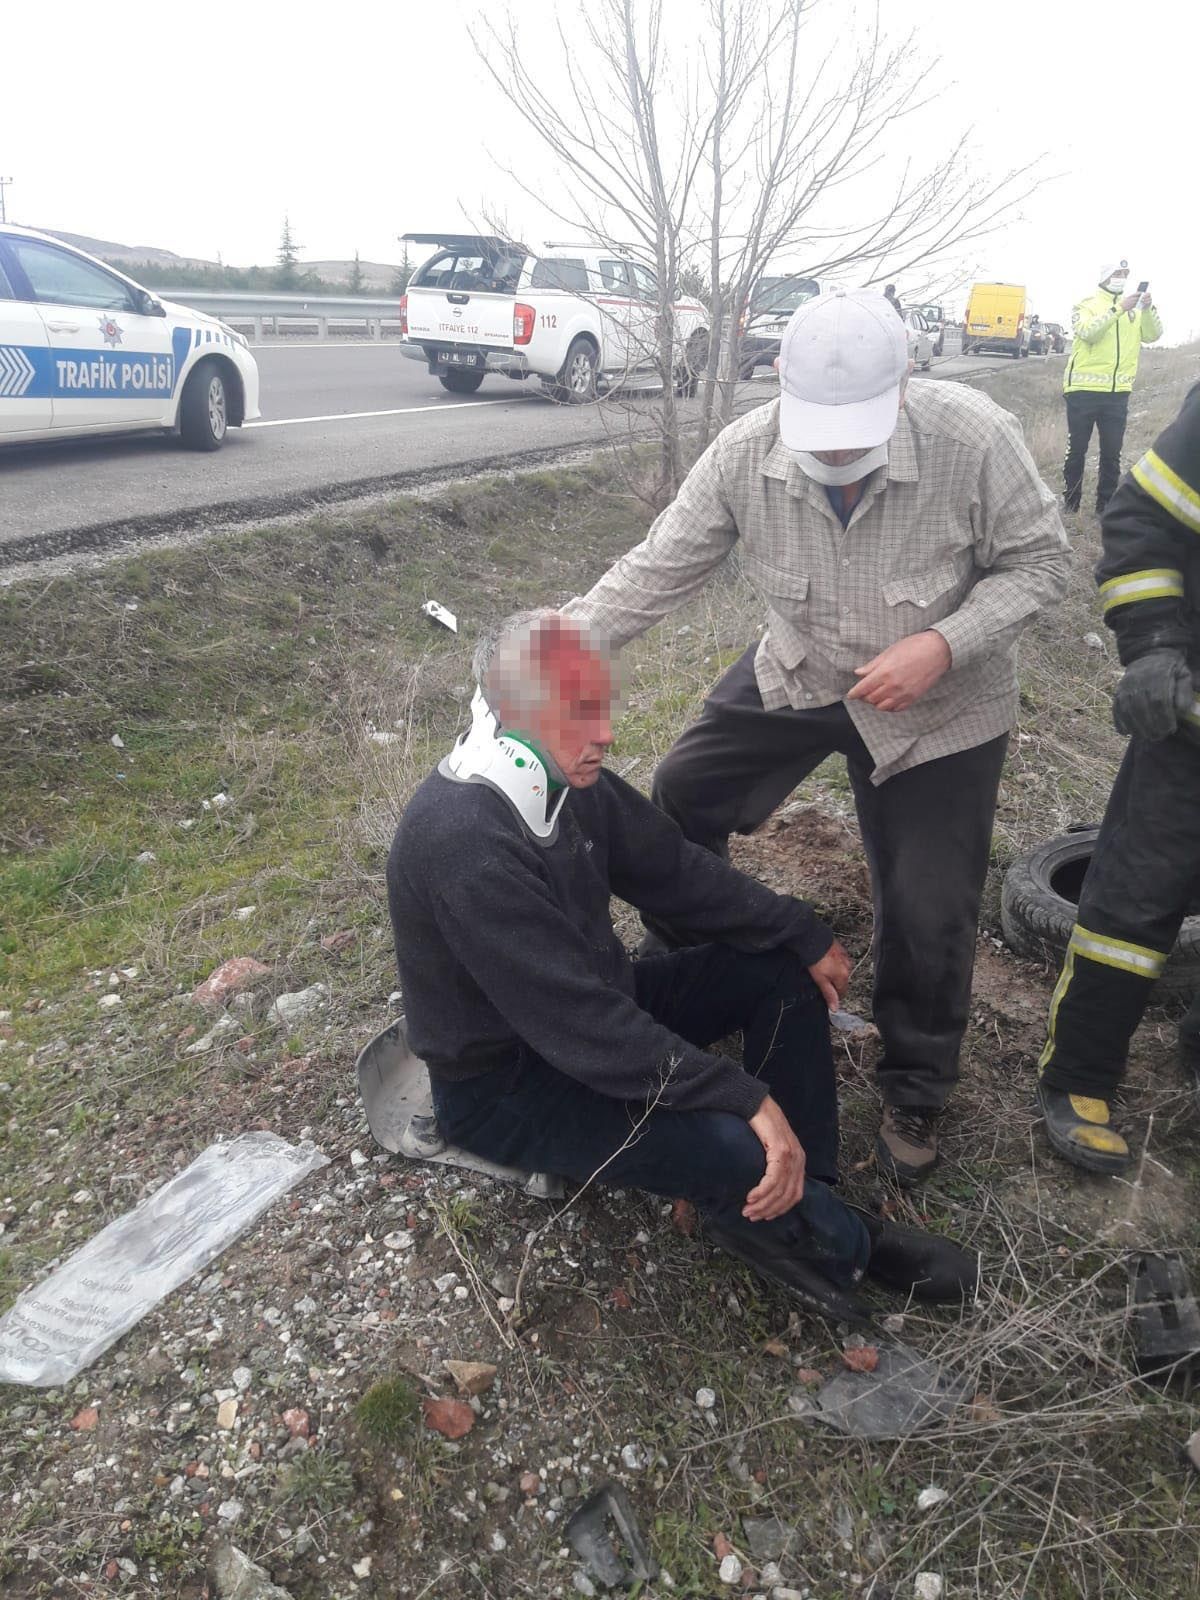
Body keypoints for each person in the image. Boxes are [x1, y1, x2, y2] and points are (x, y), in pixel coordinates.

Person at [563, 287, 1069, 1186]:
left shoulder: (974, 439)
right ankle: (700, 961)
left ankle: (916, 1082)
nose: (836, 452)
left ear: (905, 387)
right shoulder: (744, 456)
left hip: (940, 705)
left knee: (926, 901)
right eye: (818, 431)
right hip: (801, 668)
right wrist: (550, 654)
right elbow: (656, 570)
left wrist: (944, 643)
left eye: (857, 431)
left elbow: (1042, 561)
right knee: (684, 790)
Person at [387, 612, 978, 1320]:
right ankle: (838, 1238)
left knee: (780, 975)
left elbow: (670, 868)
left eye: (601, 705)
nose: (605, 732)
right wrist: (741, 1095)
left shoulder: (566, 773)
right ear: (509, 716)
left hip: (606, 1005)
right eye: (580, 712)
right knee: (735, 1139)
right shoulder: (463, 843)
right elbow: (580, 1025)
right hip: (509, 1082)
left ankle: (798, 1199)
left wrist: (798, 929)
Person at [1038, 383, 1200, 1174]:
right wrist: (1156, 644)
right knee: (1133, 907)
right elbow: (1140, 520)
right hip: (1191, 736)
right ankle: (1080, 1078)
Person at [1063, 260, 1163, 515]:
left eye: (1125, 273)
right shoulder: (1086, 304)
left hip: (1117, 393)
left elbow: (1153, 335)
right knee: (1077, 450)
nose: (1122, 277)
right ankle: (1071, 503)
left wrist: (1148, 309)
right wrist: (1118, 309)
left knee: (1111, 453)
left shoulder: (1136, 308)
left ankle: (1104, 507)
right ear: (1106, 276)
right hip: (1082, 391)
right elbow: (1087, 332)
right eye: (1117, 273)